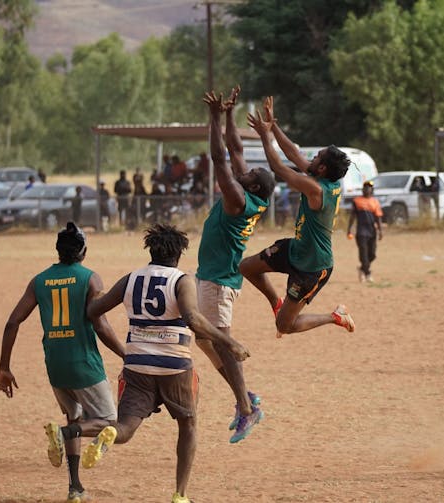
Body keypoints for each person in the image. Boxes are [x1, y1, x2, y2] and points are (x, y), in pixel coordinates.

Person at [82, 224, 250, 503]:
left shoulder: (131, 279)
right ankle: (180, 494)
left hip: (136, 365)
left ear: (150, 249)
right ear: (180, 253)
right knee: (188, 424)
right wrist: (230, 342)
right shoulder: (182, 281)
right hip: (174, 365)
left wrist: (95, 297)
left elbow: (94, 311)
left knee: (125, 426)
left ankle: (112, 432)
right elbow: (193, 319)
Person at [0, 222, 125, 503]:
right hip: (85, 364)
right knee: (109, 421)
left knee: (74, 416)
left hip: (55, 364)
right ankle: (66, 434)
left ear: (58, 251)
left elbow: (12, 322)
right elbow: (101, 327)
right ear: (83, 251)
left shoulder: (39, 280)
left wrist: (4, 367)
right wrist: (125, 354)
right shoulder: (90, 279)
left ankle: (75, 487)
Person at [239, 96, 356, 337]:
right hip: (295, 250)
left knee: (284, 326)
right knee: (246, 267)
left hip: (313, 267)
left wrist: (264, 135)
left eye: (316, 157)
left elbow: (279, 168)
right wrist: (273, 126)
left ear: (322, 168)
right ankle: (276, 302)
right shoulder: (322, 178)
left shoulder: (316, 188)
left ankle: (335, 317)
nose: (311, 159)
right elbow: (293, 153)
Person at [196, 87, 275, 443]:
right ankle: (247, 397)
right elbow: (236, 150)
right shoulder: (253, 193)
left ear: (252, 183)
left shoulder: (236, 198)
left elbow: (220, 158)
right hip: (214, 277)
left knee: (222, 342)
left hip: (217, 281)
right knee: (204, 340)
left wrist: (212, 118)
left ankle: (245, 408)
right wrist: (228, 115)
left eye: (250, 172)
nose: (245, 169)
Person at [347, 180, 383, 282]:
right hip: (361, 231)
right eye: (365, 187)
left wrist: (380, 231)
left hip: (372, 231)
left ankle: (362, 269)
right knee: (363, 253)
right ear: (363, 189)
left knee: (372, 254)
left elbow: (378, 218)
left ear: (372, 190)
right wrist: (349, 229)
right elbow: (352, 216)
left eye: (369, 187)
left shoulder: (375, 202)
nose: (367, 189)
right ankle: (367, 274)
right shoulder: (357, 201)